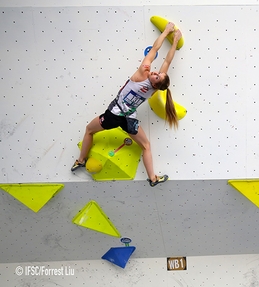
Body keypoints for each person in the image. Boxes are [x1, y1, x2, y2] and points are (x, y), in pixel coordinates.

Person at [71, 22, 182, 187]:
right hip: (129, 119)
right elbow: (167, 61)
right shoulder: (154, 90)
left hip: (113, 115)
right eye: (158, 72)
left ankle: (81, 160)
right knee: (146, 146)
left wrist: (166, 31)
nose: (155, 72)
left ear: (156, 83)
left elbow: (154, 50)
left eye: (157, 76)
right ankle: (152, 178)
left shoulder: (142, 73)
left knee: (89, 130)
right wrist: (174, 42)